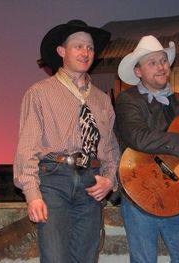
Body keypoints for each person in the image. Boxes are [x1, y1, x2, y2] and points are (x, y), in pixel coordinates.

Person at [13, 20, 119, 263]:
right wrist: (33, 193)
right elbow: (27, 146)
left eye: (90, 48)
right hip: (54, 180)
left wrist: (110, 179)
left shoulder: (102, 100)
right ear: (62, 51)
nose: (85, 53)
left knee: (86, 257)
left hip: (92, 184)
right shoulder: (39, 92)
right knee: (55, 257)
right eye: (78, 46)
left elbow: (111, 148)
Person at [115, 35, 179, 263]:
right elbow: (138, 138)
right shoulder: (128, 101)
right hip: (140, 193)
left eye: (162, 61)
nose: (160, 67)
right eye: (151, 62)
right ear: (138, 72)